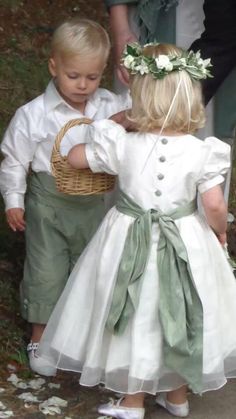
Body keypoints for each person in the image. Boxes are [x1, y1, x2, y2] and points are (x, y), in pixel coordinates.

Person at [37, 43, 236, 418]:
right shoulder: (201, 150)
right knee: (181, 311)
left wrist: (114, 122)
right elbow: (214, 205)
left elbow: (73, 156)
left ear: (138, 100)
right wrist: (220, 232)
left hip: (128, 239)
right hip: (185, 241)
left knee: (132, 312)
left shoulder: (122, 144)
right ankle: (176, 396)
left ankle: (132, 402)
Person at [0, 17, 130, 377]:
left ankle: (86, 338)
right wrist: (14, 199)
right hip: (49, 203)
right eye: (74, 76)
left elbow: (135, 116)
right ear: (53, 66)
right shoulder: (33, 115)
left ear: (103, 71)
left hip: (95, 203)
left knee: (92, 267)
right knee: (47, 268)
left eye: (92, 76)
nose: (84, 85)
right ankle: (40, 337)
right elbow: (14, 160)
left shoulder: (107, 104)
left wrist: (132, 86)